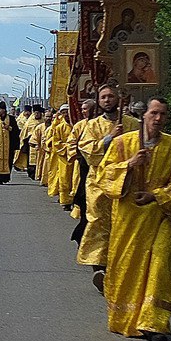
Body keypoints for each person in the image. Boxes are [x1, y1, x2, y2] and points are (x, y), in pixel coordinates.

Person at [98, 96, 171, 341]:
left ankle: (154, 323)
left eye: (163, 115)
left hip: (160, 217)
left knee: (159, 268)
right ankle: (127, 319)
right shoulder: (123, 143)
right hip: (129, 219)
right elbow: (104, 175)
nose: (158, 119)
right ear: (144, 115)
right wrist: (129, 164)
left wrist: (155, 195)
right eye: (154, 113)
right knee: (129, 268)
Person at [77, 84, 141, 293]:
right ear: (98, 100)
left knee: (123, 226)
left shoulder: (132, 124)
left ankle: (120, 271)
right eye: (103, 97)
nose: (107, 100)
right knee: (99, 223)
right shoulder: (93, 125)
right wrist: (109, 138)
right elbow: (86, 149)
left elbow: (144, 148)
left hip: (127, 182)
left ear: (118, 99)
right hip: (99, 183)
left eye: (111, 96)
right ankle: (100, 269)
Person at [69, 98, 98, 243]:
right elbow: (72, 143)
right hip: (84, 167)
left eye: (86, 109)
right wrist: (77, 153)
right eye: (83, 109)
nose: (83, 112)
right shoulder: (80, 125)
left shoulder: (101, 125)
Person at [0, 101, 18, 184]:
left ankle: (5, 178)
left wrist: (9, 128)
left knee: (8, 161)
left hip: (9, 146)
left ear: (4, 110)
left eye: (1, 109)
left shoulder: (11, 119)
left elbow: (16, 131)